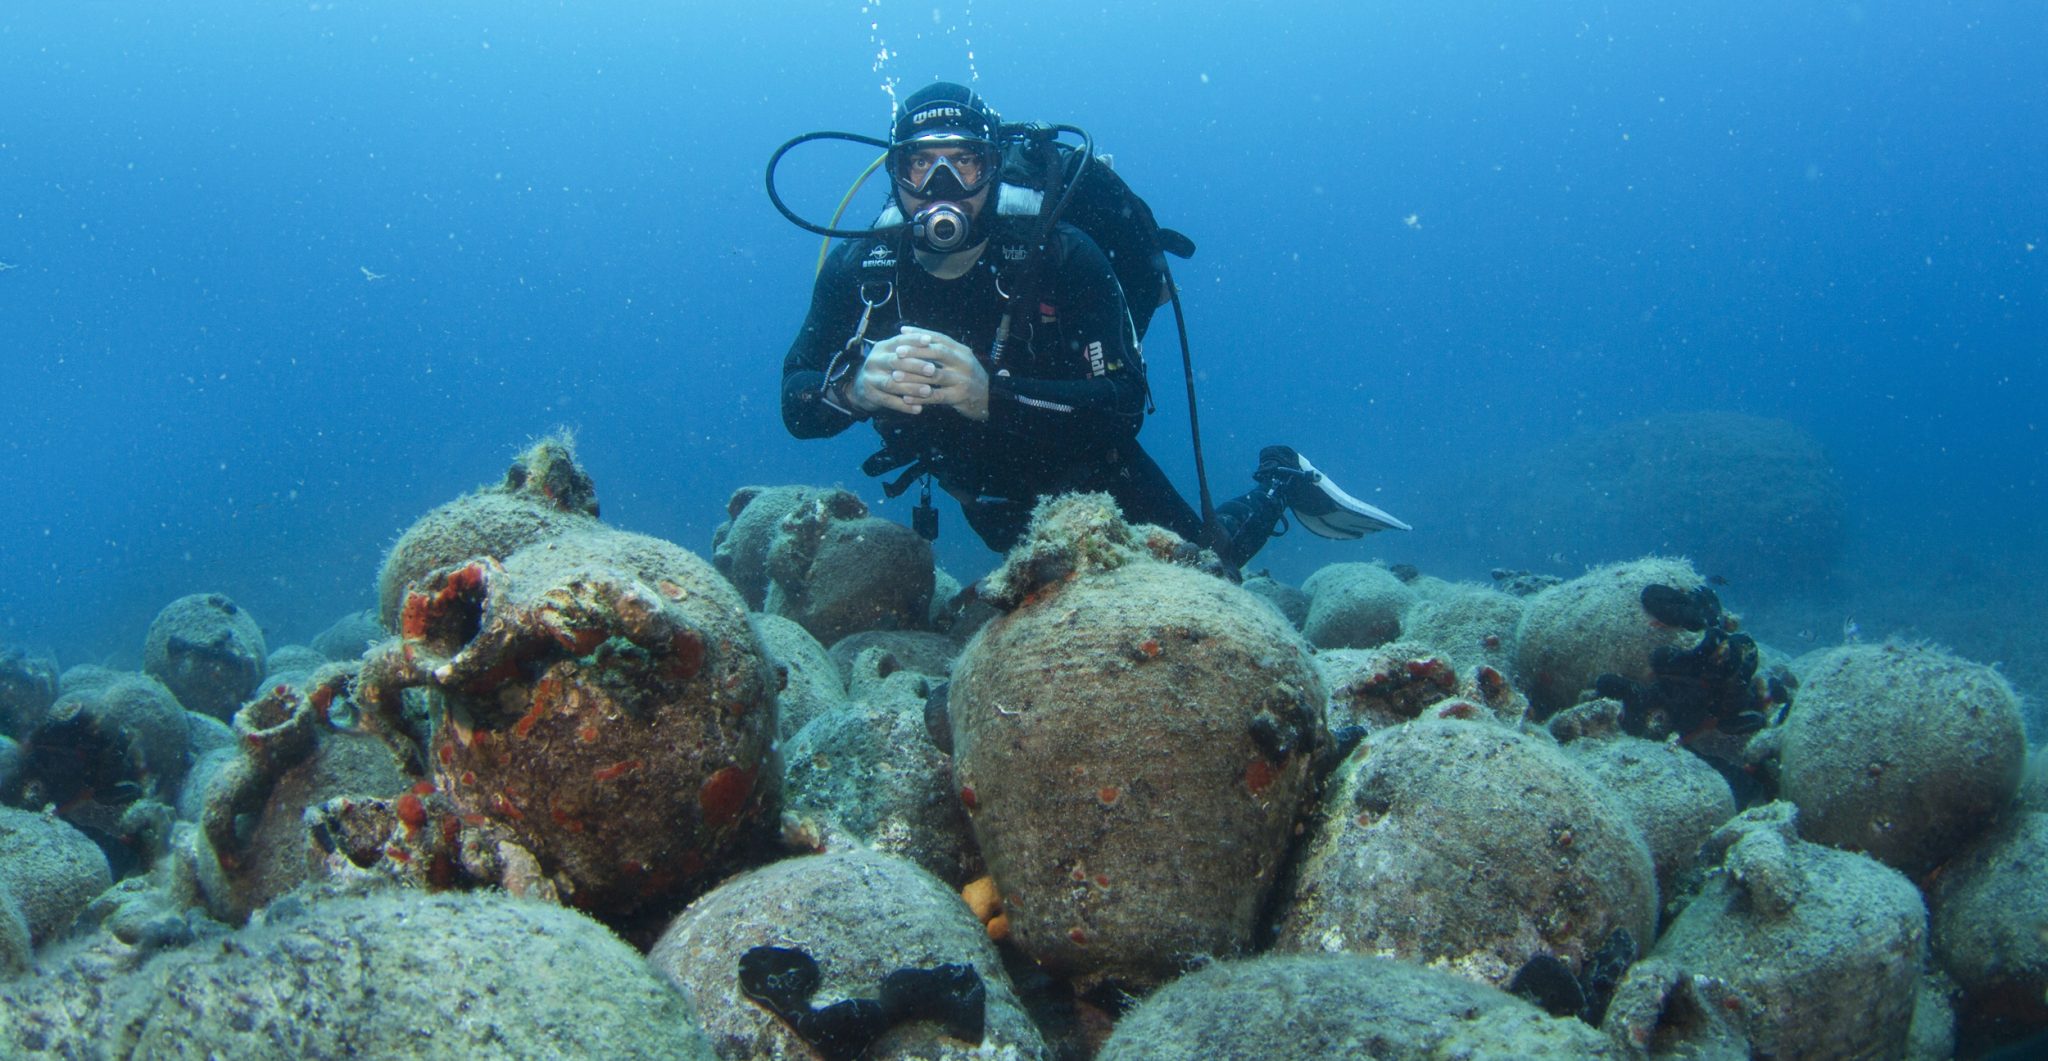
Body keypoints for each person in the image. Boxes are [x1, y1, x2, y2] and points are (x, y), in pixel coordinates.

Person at [780, 81, 1407, 569]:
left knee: (1204, 567)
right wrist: (849, 390)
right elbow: (796, 404)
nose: (941, 187)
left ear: (993, 168)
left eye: (964, 163)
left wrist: (987, 395)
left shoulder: (1063, 254)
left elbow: (1123, 405)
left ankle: (1281, 481)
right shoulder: (864, 269)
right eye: (920, 166)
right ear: (894, 173)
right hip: (982, 490)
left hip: (1090, 465)